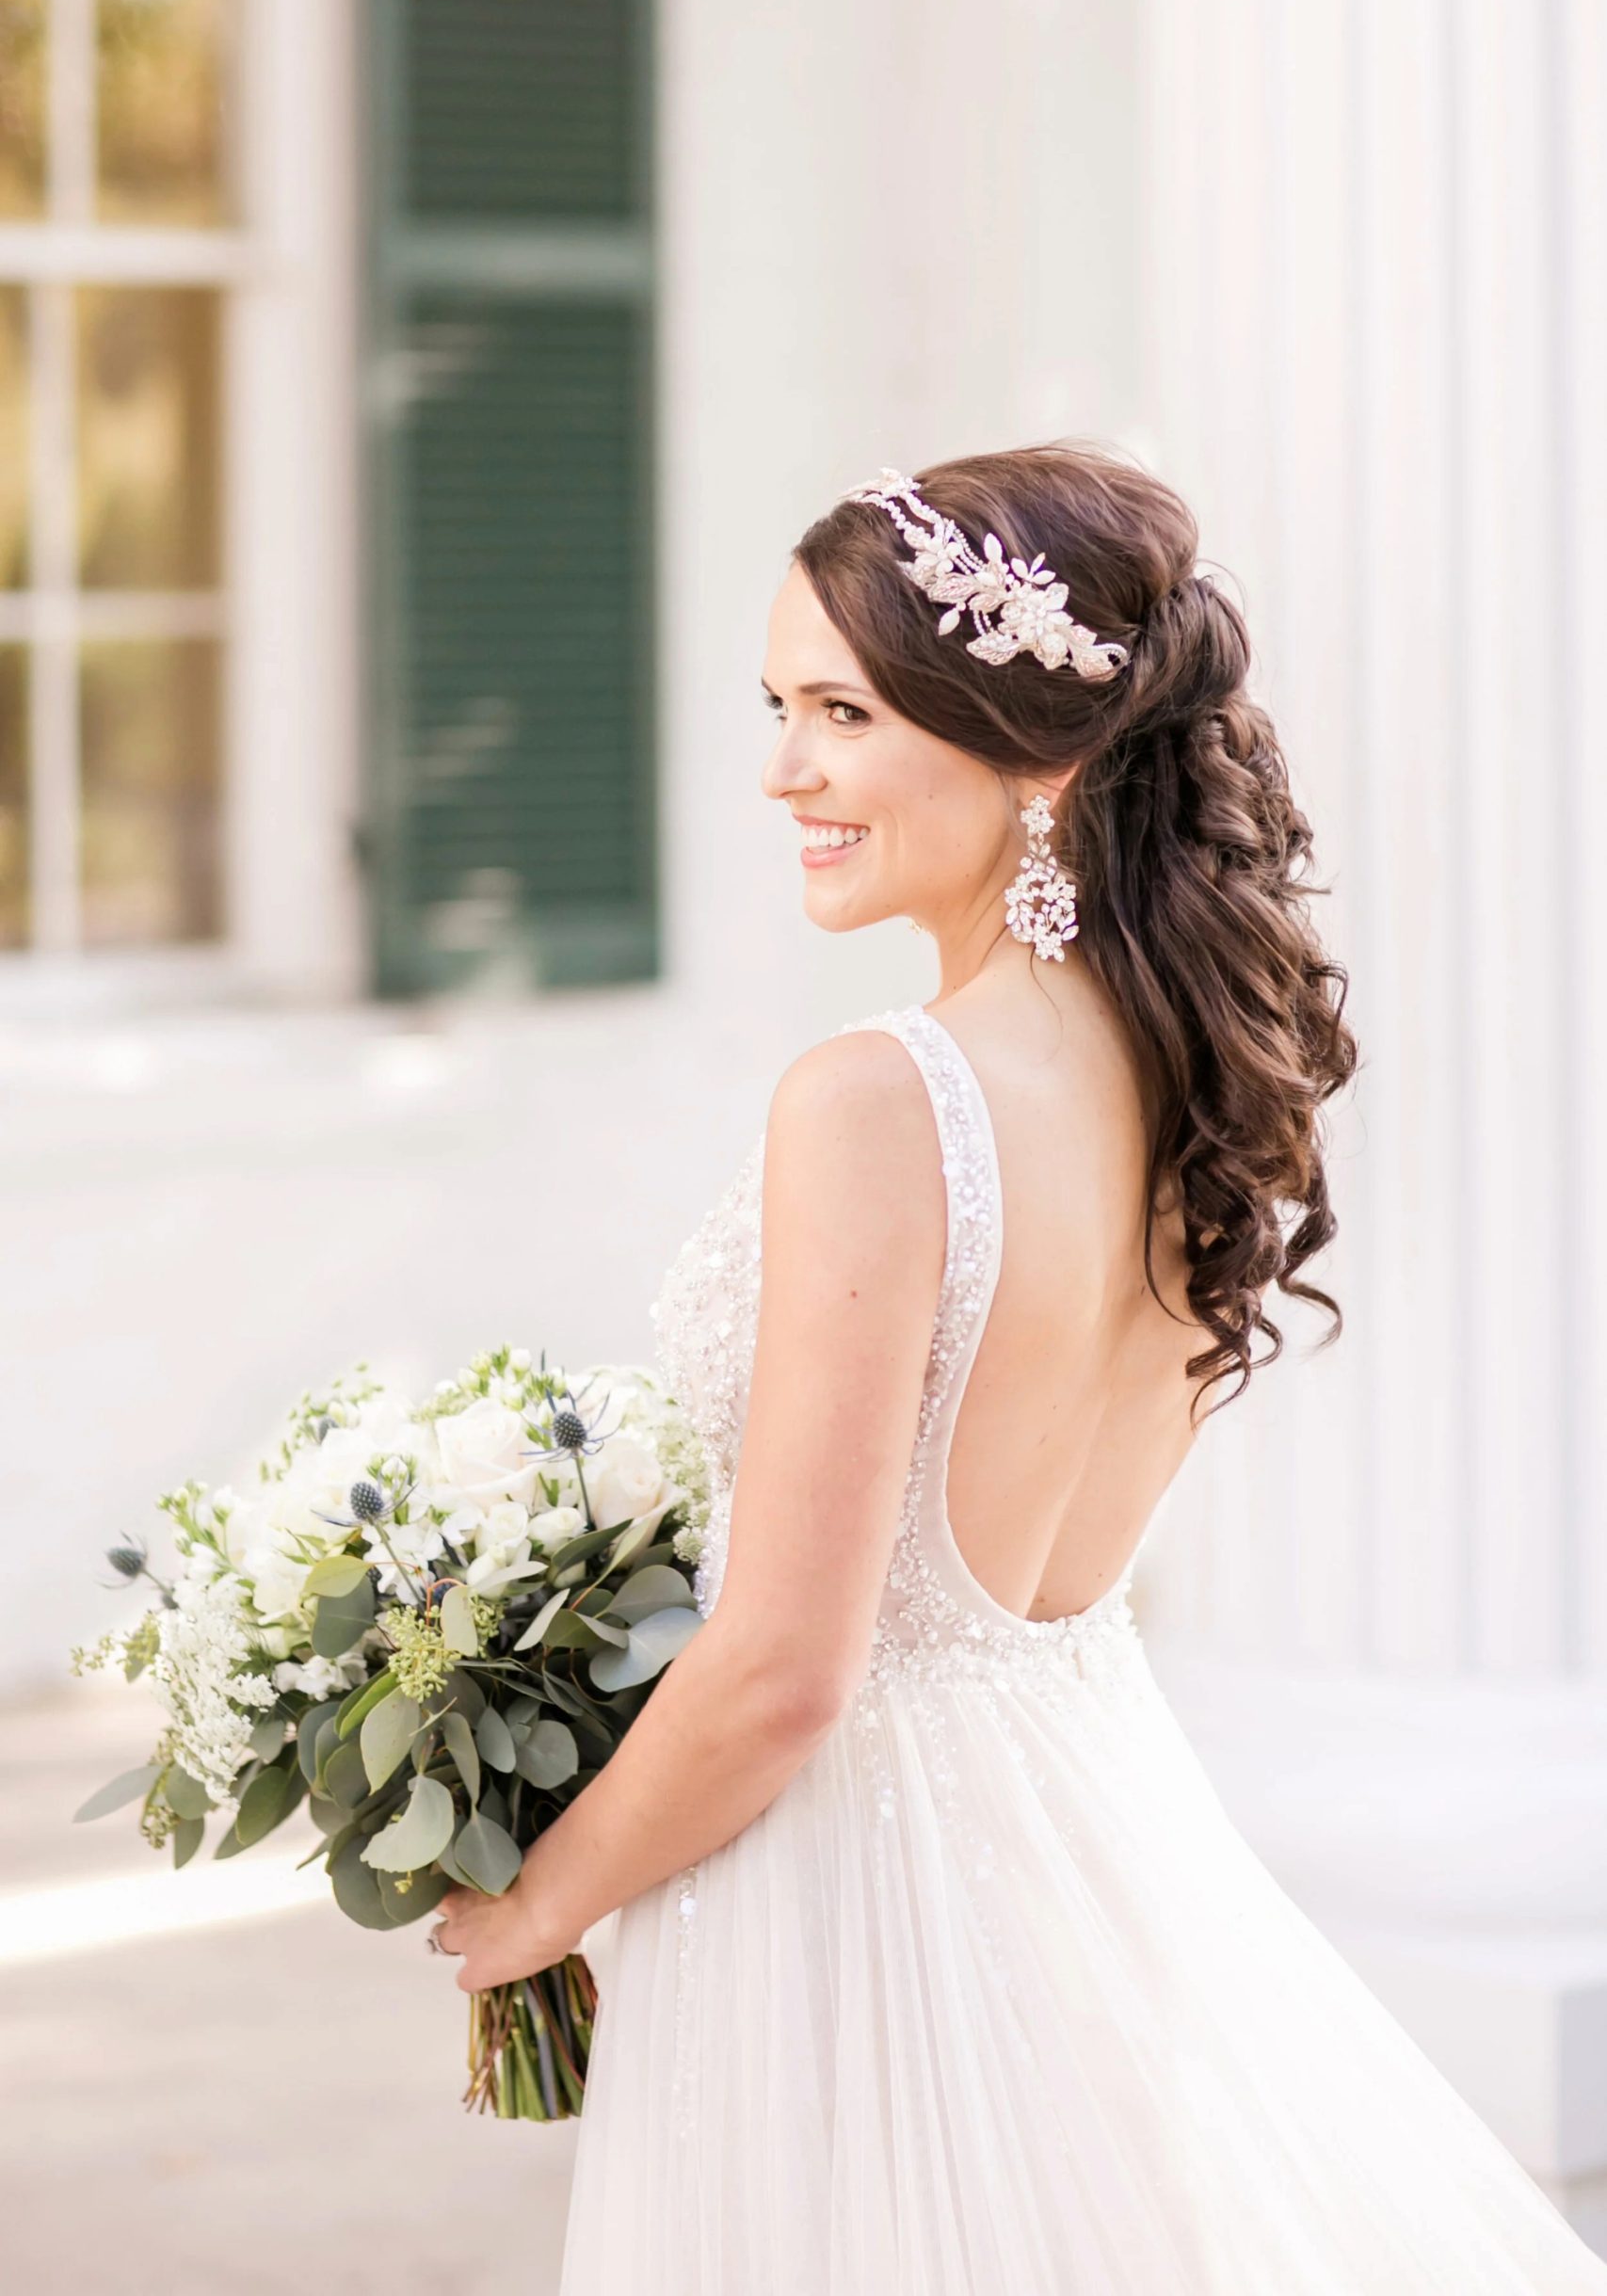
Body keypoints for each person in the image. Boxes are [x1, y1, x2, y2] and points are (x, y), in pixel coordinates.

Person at [432, 444, 1607, 2293]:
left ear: (1036, 759)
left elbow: (784, 1672)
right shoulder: (1190, 1085)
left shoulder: (879, 1097)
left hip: (853, 1890)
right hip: (1082, 1824)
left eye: (840, 711)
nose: (782, 770)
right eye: (776, 707)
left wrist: (527, 1907)